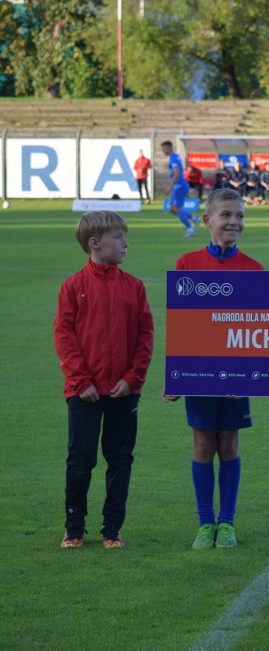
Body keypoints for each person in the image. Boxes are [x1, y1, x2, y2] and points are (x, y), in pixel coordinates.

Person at [163, 188, 264, 549]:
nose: (234, 222)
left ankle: (228, 523)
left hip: (236, 376)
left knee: (230, 445)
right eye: (226, 215)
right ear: (207, 220)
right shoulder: (187, 263)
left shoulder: (254, 269)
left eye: (240, 215)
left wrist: (248, 373)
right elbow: (183, 325)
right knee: (203, 444)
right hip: (200, 374)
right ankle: (206, 523)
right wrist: (174, 375)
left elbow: (259, 330)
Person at [54, 211, 154, 549]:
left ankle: (112, 528)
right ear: (95, 243)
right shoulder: (72, 287)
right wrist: (81, 381)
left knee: (120, 459)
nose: (126, 243)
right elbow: (64, 336)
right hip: (83, 392)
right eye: (118, 237)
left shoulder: (134, 286)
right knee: (80, 459)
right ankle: (74, 528)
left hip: (123, 391)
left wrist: (133, 378)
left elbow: (145, 336)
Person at [161, 141, 200, 237]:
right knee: (171, 209)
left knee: (177, 208)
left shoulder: (173, 158)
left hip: (179, 186)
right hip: (179, 185)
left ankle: (190, 229)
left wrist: (170, 186)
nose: (162, 151)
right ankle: (194, 218)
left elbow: (177, 173)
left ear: (168, 148)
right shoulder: (175, 156)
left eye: (163, 149)